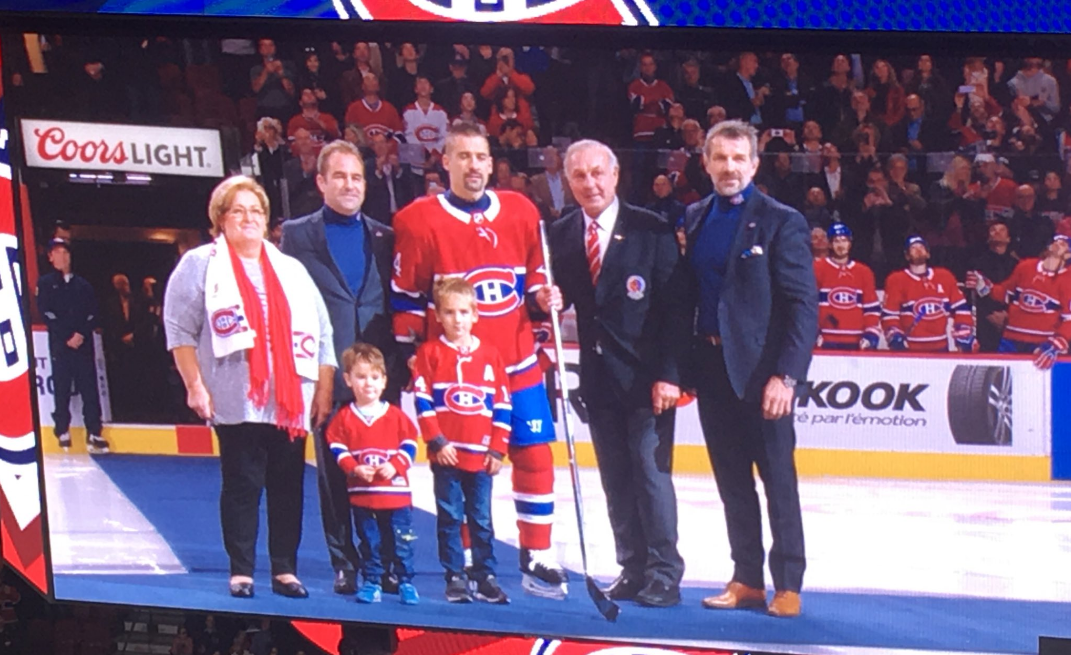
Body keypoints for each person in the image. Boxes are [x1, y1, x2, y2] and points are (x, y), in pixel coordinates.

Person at [391, 122, 568, 599]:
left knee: (534, 455)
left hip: (515, 360)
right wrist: (413, 361)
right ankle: (468, 563)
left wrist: (544, 294)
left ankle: (537, 555)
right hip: (455, 370)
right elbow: (406, 298)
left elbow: (532, 278)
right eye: (463, 156)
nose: (474, 165)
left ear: (492, 162)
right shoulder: (417, 219)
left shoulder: (521, 209)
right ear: (444, 162)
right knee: (466, 468)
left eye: (482, 156)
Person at [164, 176, 336, 599]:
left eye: (256, 211)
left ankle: (284, 570)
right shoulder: (201, 264)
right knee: (242, 487)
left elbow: (324, 332)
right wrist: (195, 386)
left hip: (290, 402)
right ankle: (241, 571)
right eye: (238, 210)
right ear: (220, 219)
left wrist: (324, 389)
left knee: (287, 489)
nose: (248, 218)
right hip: (235, 398)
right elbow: (179, 330)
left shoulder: (290, 268)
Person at [680, 120, 817, 618]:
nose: (729, 167)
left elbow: (803, 305)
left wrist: (787, 375)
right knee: (732, 482)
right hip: (712, 368)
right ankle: (746, 579)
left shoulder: (783, 220)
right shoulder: (694, 216)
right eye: (721, 158)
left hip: (764, 376)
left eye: (739, 159)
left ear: (755, 164)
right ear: (707, 162)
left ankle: (788, 585)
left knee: (778, 481)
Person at [548, 140, 688, 607]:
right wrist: (545, 298)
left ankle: (665, 572)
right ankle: (632, 567)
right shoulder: (563, 232)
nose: (590, 183)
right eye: (579, 176)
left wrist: (670, 374)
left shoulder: (652, 229)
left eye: (597, 174)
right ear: (569, 182)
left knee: (650, 476)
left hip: (648, 380)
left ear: (615, 175)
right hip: (598, 380)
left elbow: (675, 309)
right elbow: (561, 295)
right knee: (616, 479)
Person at [279, 140, 401, 597]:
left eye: (356, 178)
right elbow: (292, 309)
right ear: (321, 181)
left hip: (379, 376)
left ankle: (385, 563)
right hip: (326, 375)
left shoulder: (386, 236)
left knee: (384, 471)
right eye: (340, 177)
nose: (349, 185)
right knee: (334, 476)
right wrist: (310, 376)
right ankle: (344, 562)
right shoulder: (296, 235)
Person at [412, 278, 511, 604]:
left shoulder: (491, 356)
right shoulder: (430, 353)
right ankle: (454, 575)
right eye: (450, 312)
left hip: (481, 457)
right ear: (438, 315)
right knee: (450, 516)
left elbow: (502, 405)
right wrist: (438, 442)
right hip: (448, 456)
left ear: (476, 314)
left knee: (481, 519)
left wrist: (497, 448)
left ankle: (485, 576)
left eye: (464, 312)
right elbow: (423, 400)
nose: (457, 319)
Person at [327, 343, 420, 605]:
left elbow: (410, 443)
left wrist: (397, 465)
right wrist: (353, 467)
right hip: (363, 496)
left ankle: (405, 581)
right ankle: (372, 581)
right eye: (361, 377)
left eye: (375, 377)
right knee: (369, 541)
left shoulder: (396, 416)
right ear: (348, 380)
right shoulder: (344, 417)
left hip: (396, 497)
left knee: (403, 540)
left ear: (384, 381)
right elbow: (336, 444)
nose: (368, 383)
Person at [36, 237, 107, 454]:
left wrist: (80, 334)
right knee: (62, 387)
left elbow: (92, 312)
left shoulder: (83, 285)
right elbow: (47, 313)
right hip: (61, 346)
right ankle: (62, 429)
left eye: (65, 253)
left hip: (83, 345)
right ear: (50, 257)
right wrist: (67, 335)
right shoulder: (46, 284)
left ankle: (94, 432)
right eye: (57, 253)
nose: (62, 257)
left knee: (89, 388)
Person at [967, 234, 1071, 369]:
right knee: (1000, 377)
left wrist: (1057, 342)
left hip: (1040, 343)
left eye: (1063, 244)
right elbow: (1006, 293)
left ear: (1068, 255)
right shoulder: (1025, 266)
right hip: (1010, 338)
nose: (1057, 244)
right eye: (1055, 241)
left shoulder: (1068, 280)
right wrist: (985, 287)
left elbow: (1069, 318)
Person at [882, 236, 975, 353]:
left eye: (922, 247)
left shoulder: (944, 276)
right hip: (911, 349)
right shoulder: (896, 280)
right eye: (913, 248)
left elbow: (961, 309)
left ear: (928, 254)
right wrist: (895, 337)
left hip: (941, 347)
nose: (918, 250)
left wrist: (963, 333)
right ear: (907, 255)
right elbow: (890, 315)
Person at [814, 223, 881, 350]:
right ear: (829, 244)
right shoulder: (817, 268)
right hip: (826, 340)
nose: (840, 245)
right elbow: (809, 305)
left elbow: (871, 308)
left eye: (844, 240)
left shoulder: (864, 271)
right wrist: (813, 331)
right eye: (836, 241)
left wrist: (870, 333)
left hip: (856, 341)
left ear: (850, 244)